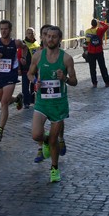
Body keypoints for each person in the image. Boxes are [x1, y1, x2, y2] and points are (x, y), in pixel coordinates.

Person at [27, 26, 77, 183]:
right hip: (42, 102)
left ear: (59, 39)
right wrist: (35, 81)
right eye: (48, 36)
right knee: (36, 135)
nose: (50, 39)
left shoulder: (66, 58)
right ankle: (47, 140)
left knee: (54, 140)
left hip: (58, 105)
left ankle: (54, 168)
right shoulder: (37, 56)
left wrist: (65, 79)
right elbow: (29, 73)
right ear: (44, 38)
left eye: (54, 37)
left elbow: (74, 81)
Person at [85, 19, 109, 88]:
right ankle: (107, 82)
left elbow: (87, 41)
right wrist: (100, 22)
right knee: (102, 67)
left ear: (91, 24)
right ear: (96, 24)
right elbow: (106, 26)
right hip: (99, 51)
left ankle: (94, 83)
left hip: (91, 51)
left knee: (92, 68)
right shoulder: (99, 30)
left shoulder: (87, 31)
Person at [19, 27, 40, 109]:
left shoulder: (36, 43)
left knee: (34, 85)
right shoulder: (23, 43)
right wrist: (19, 69)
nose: (31, 34)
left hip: (35, 68)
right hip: (26, 68)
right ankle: (26, 102)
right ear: (26, 34)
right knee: (25, 86)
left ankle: (32, 100)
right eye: (29, 33)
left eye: (32, 33)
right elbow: (19, 56)